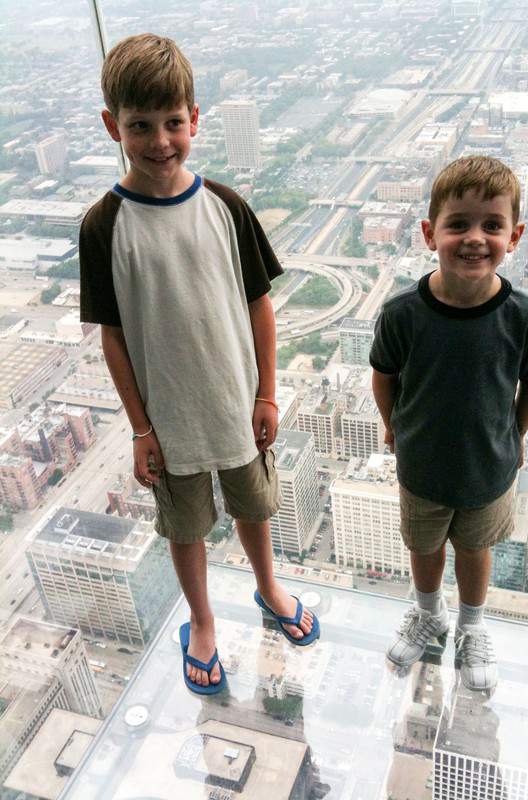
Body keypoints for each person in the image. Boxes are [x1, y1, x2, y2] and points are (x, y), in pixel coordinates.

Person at [79, 33, 319, 695]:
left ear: (195, 118)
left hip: (235, 403)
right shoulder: (104, 225)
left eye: (174, 123)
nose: (160, 141)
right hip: (170, 419)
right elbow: (114, 338)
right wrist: (139, 428)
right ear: (112, 126)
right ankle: (203, 621)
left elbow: (260, 306)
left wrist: (267, 395)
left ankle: (269, 588)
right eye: (140, 126)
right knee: (184, 527)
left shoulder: (225, 205)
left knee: (254, 507)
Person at [370, 156, 528, 692]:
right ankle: (428, 613)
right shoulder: (403, 313)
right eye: (459, 224)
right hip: (422, 464)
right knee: (424, 548)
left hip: (488, 467)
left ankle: (471, 627)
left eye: (492, 225)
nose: (475, 238)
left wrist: (516, 435)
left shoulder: (524, 317)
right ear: (430, 233)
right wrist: (391, 425)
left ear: (514, 236)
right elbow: (383, 375)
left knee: (475, 550)